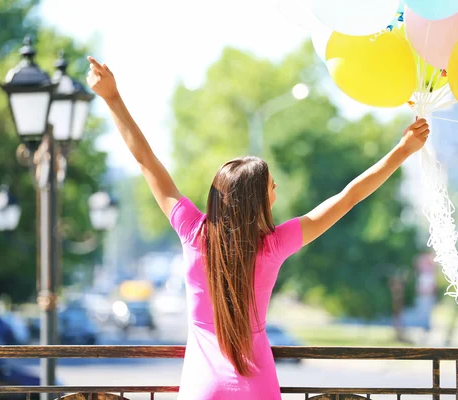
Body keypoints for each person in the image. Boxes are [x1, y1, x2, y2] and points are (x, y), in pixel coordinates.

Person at [86, 56, 430, 399]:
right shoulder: (275, 244)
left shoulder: (193, 231)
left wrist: (112, 98)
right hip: (257, 386)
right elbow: (348, 198)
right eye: (271, 185)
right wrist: (402, 151)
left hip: (202, 388)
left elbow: (146, 162)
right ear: (256, 200)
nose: (276, 188)